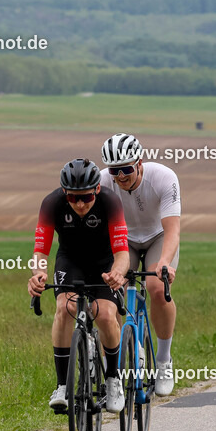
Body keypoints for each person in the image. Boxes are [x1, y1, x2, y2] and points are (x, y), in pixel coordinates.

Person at [28, 158, 130, 413]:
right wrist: (38, 274)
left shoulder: (110, 202)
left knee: (105, 315)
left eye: (86, 197)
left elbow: (122, 253)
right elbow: (40, 251)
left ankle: (113, 379)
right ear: (64, 192)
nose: (80, 204)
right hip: (70, 261)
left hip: (104, 262)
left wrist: (118, 274)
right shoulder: (51, 203)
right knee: (64, 308)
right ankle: (62, 386)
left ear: (97, 189)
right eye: (73, 198)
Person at [99, 133, 180, 396]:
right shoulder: (103, 182)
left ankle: (164, 362)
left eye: (126, 169)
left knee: (157, 287)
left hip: (158, 236)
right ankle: (115, 367)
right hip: (124, 240)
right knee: (111, 292)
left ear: (139, 163)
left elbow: (172, 230)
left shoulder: (163, 177)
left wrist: (165, 263)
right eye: (114, 171)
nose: (120, 176)